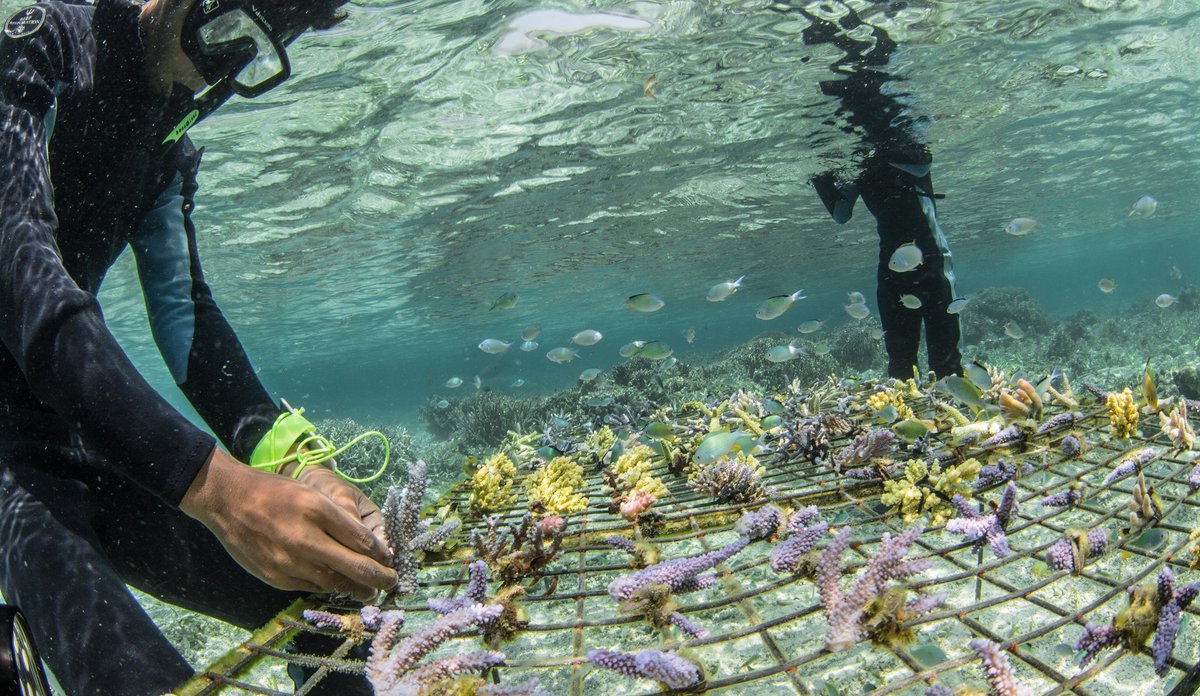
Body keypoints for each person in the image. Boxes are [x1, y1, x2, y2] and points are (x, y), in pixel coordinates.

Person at [0, 0, 398, 692]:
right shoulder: (47, 47)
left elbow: (190, 322)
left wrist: (296, 463)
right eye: (232, 26)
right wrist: (218, 490)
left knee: (329, 609)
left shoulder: (168, 142)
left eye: (259, 46)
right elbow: (16, 267)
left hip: (62, 424)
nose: (224, 61)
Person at [798, 2, 964, 379]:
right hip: (890, 267)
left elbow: (922, 164)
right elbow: (842, 215)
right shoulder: (862, 160)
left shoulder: (901, 144)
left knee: (947, 366)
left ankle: (870, 32)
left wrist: (874, 154)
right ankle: (906, 423)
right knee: (898, 366)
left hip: (932, 260)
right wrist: (823, 178)